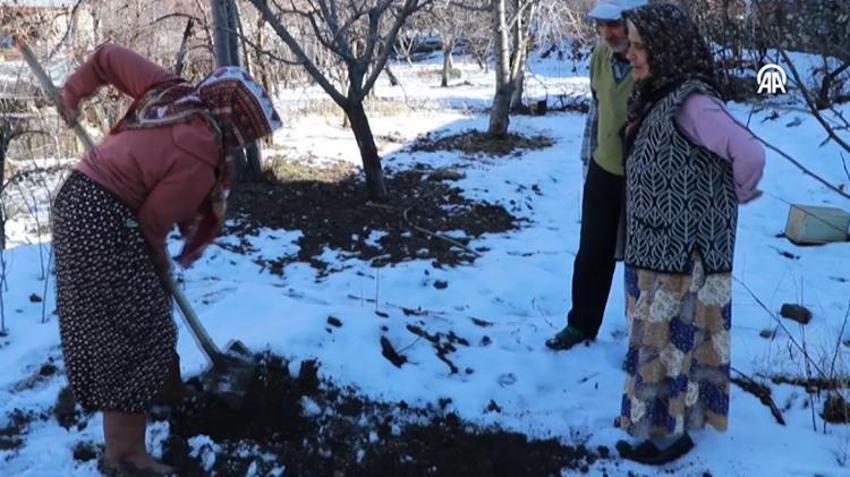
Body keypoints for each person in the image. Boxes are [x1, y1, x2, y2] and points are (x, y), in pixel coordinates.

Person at [52, 43, 282, 475]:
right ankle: (124, 455)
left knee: (147, 310)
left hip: (78, 200)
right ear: (237, 126)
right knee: (133, 331)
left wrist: (72, 93)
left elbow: (107, 57)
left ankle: (165, 389)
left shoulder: (173, 92)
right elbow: (151, 224)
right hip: (105, 217)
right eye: (247, 135)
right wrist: (159, 263)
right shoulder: (202, 154)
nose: (243, 144)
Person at [613, 4, 765, 465]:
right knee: (661, 344)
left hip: (682, 256)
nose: (630, 55)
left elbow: (749, 152)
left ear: (668, 48)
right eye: (630, 45)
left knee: (668, 346)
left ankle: (667, 435)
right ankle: (666, 425)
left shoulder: (692, 103)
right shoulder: (660, 94)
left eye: (640, 47)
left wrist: (736, 194)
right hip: (656, 247)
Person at [546, 0, 646, 351]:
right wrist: (589, 163)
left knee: (643, 259)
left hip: (644, 178)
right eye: (600, 25)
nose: (606, 33)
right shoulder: (600, 57)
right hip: (603, 171)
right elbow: (597, 110)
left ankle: (647, 338)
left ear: (634, 21)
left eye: (614, 24)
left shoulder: (651, 62)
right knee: (592, 252)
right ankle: (581, 325)